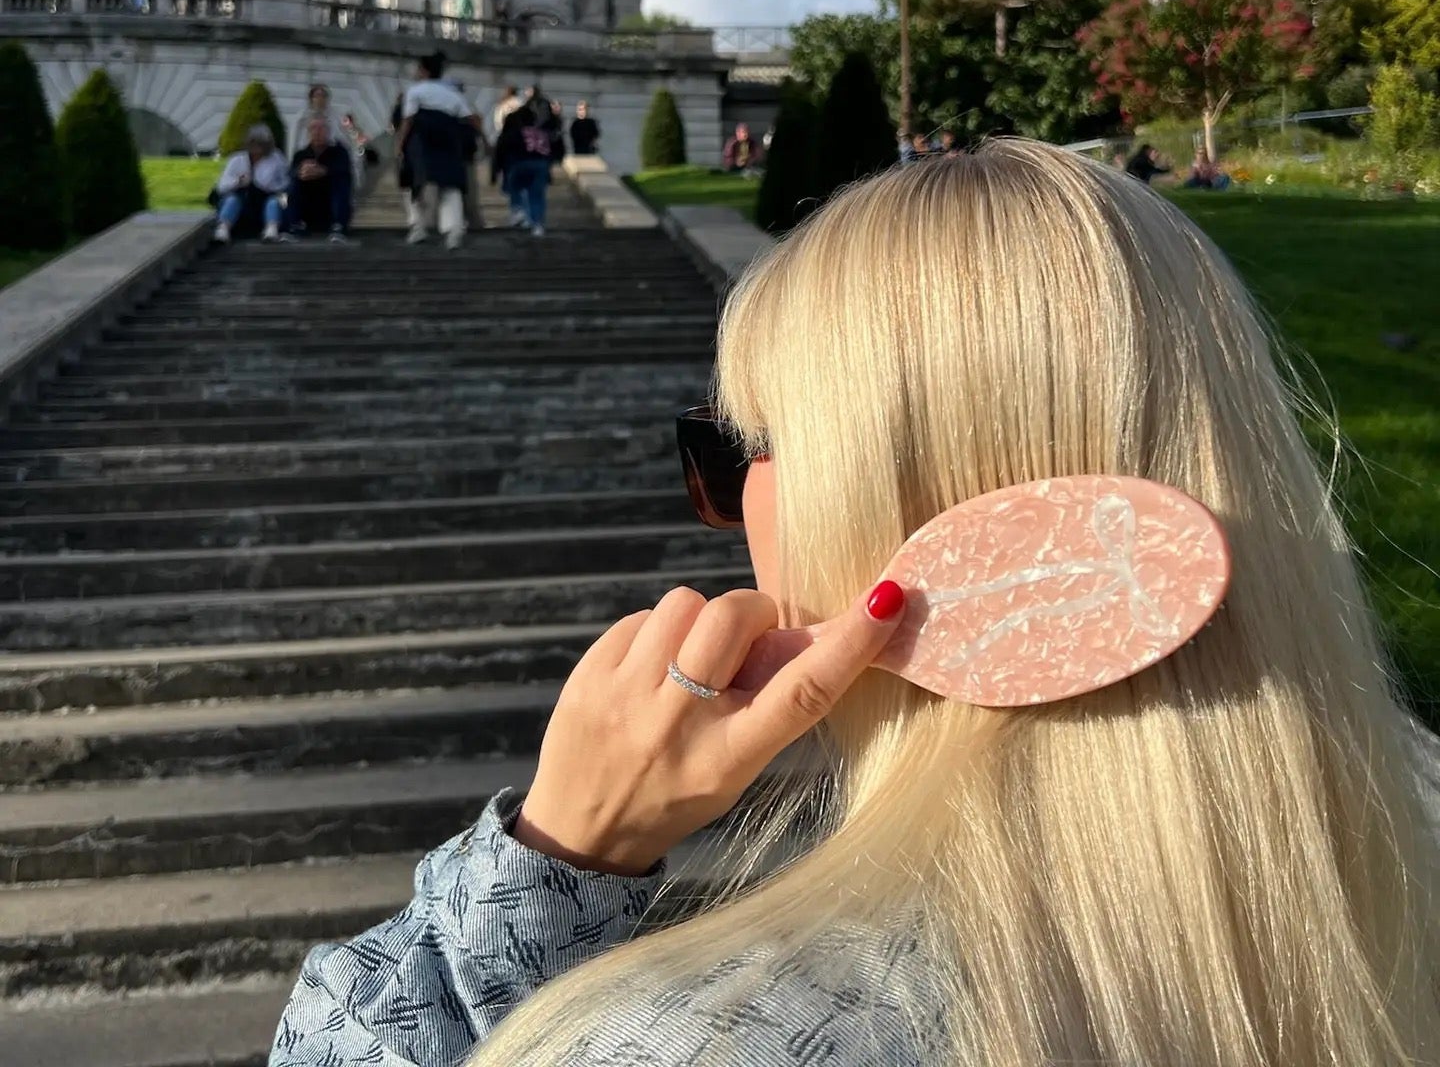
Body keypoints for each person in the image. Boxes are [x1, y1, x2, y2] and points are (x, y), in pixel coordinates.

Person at [269, 142, 1440, 1067]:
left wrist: (554, 857)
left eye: (733, 452)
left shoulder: (699, 1039)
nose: (723, 511)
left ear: (876, 492)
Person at [395, 52, 488, 249]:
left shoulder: (415, 91)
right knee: (450, 185)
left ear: (424, 71)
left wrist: (400, 146)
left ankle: (418, 226)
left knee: (414, 183)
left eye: (418, 68)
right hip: (449, 140)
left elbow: (408, 120)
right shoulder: (452, 94)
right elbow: (472, 118)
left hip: (422, 140)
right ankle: (454, 231)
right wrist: (486, 141)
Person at [212, 125, 288, 244]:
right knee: (232, 200)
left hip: (266, 198)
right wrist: (238, 182)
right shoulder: (236, 160)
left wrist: (268, 186)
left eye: (261, 144)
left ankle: (271, 230)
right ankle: (223, 229)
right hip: (242, 200)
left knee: (274, 201)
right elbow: (221, 186)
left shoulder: (277, 159)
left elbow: (285, 183)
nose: (257, 148)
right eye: (253, 143)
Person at [283, 117, 354, 242]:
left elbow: (345, 172)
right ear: (308, 133)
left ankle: (338, 226)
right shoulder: (301, 155)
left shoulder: (339, 152)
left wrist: (324, 171)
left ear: (328, 132)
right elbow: (290, 173)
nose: (317, 132)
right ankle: (295, 225)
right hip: (309, 206)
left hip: (331, 205)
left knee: (340, 180)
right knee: (294, 182)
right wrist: (302, 172)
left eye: (321, 128)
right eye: (313, 129)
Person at [495, 101, 552, 237]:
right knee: (536, 195)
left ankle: (519, 210)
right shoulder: (541, 133)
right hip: (540, 165)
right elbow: (549, 151)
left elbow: (503, 151)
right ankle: (537, 224)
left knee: (515, 188)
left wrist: (497, 170)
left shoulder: (515, 132)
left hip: (520, 164)